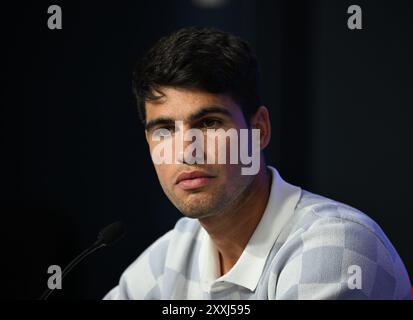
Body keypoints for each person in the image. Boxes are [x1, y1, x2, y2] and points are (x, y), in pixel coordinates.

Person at [104, 27, 411, 300]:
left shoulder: (338, 246)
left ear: (259, 130)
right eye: (165, 130)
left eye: (209, 123)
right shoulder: (173, 253)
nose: (186, 152)